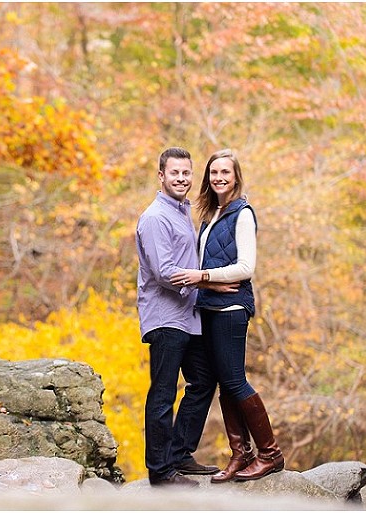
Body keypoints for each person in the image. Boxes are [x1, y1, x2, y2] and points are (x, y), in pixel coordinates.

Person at [171, 148, 284, 482]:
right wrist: (206, 283)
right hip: (208, 307)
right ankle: (241, 454)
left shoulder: (242, 214)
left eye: (225, 172)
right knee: (224, 382)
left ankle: (270, 453)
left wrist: (204, 277)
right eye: (214, 172)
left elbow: (246, 267)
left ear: (236, 176)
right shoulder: (211, 213)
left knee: (235, 380)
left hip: (232, 310)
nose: (219, 177)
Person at [135, 147, 234, 487]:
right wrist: (205, 280)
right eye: (174, 173)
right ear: (161, 176)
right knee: (163, 393)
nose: (181, 179)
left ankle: (178, 454)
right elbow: (163, 272)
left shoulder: (181, 211)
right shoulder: (154, 218)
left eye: (186, 173)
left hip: (187, 316)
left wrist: (203, 284)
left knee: (204, 379)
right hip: (165, 318)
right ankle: (160, 472)